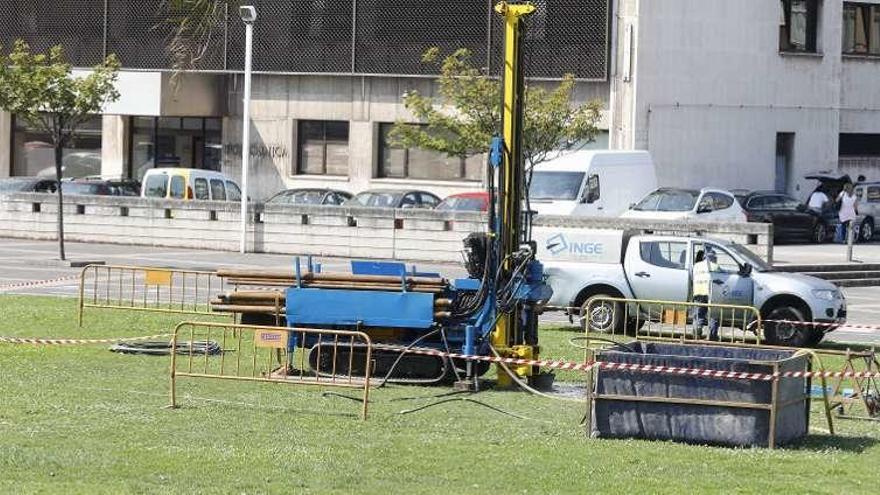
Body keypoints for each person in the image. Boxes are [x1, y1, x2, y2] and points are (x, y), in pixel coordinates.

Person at [692, 249, 719, 341]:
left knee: (698, 315)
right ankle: (712, 336)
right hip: (710, 293)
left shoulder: (696, 266)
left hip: (698, 292)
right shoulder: (715, 266)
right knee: (713, 315)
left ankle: (696, 333)